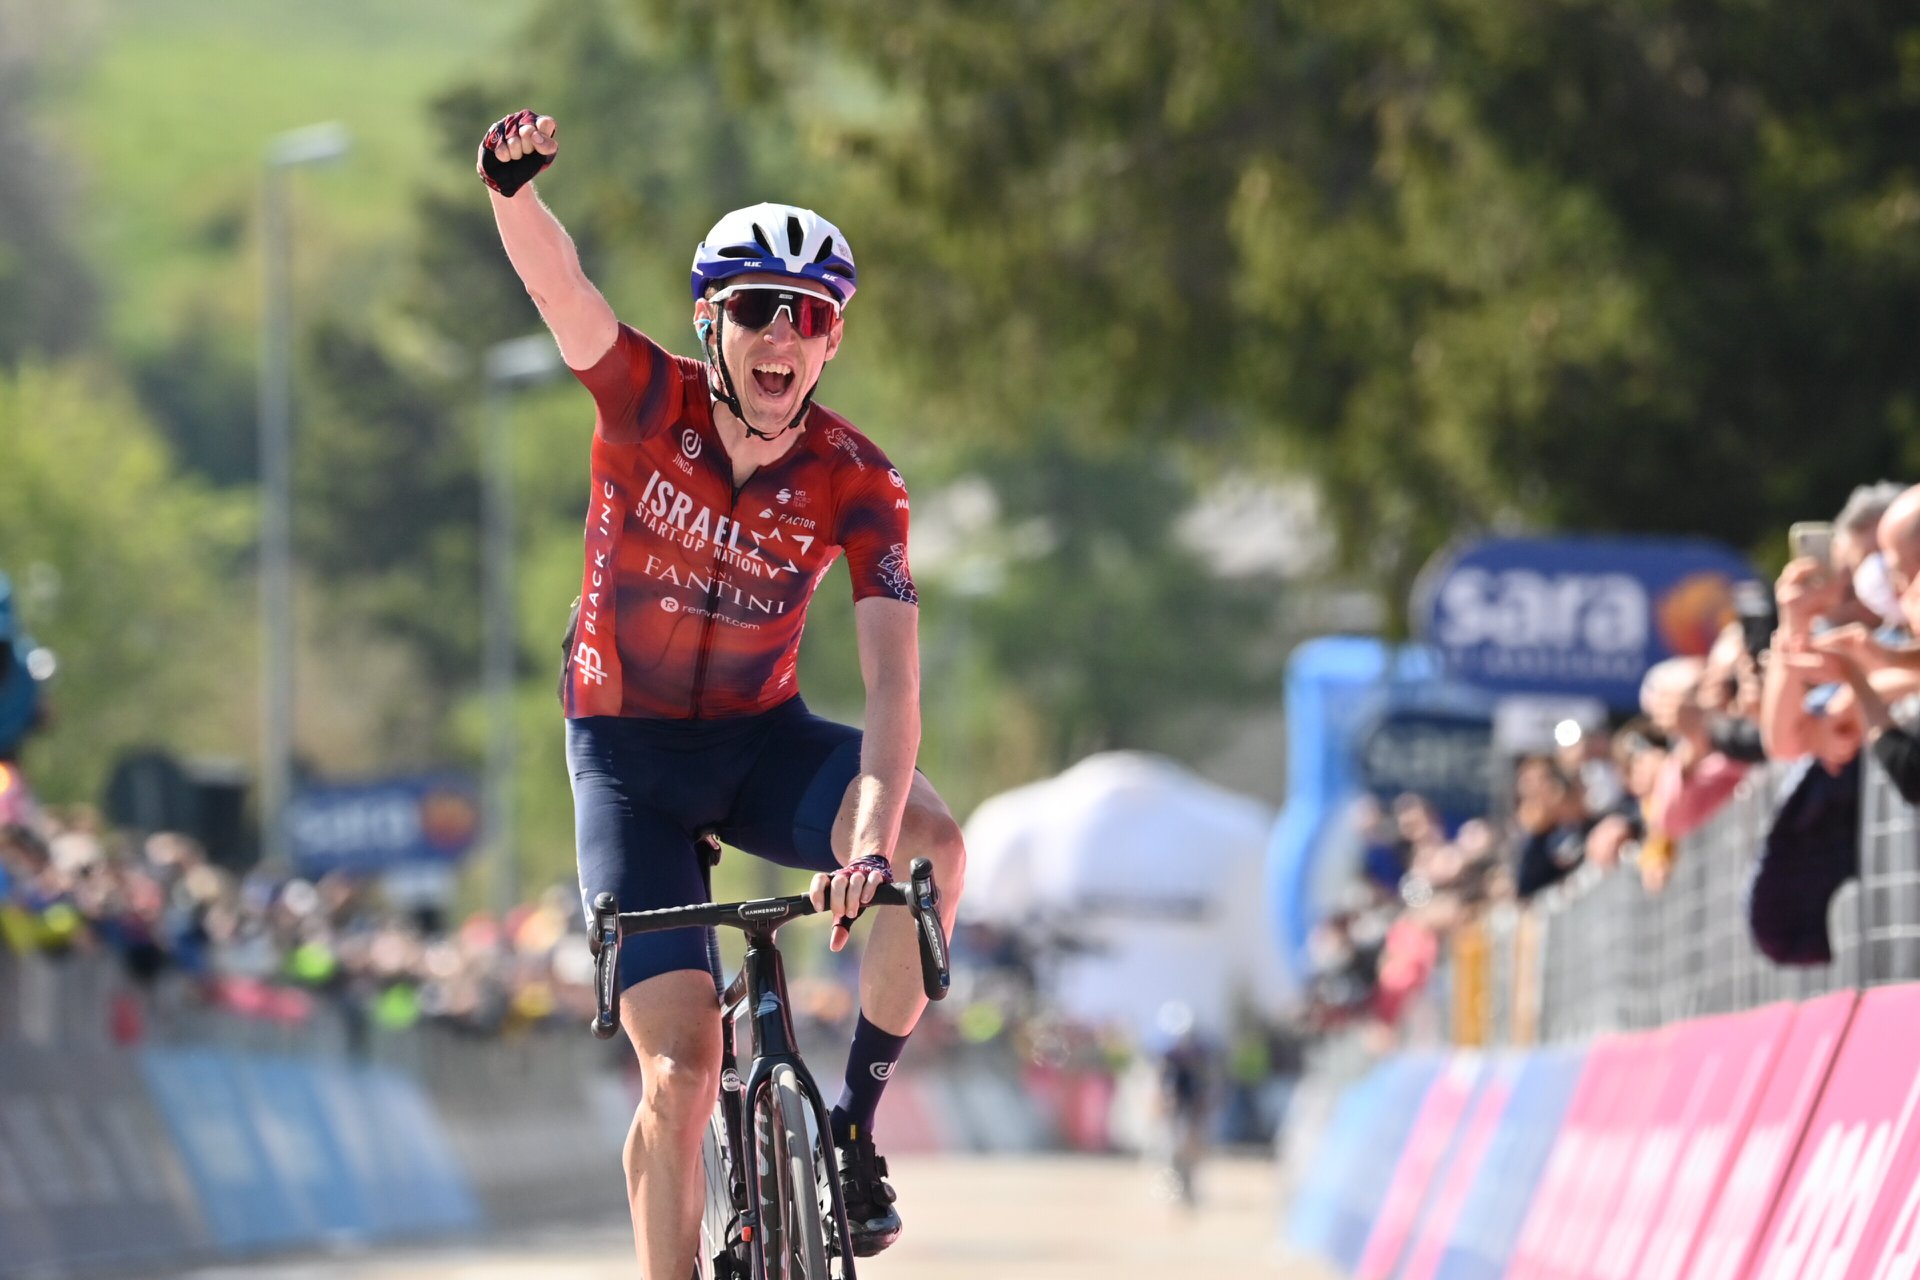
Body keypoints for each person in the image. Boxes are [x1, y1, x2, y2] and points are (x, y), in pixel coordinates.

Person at [479, 111, 966, 1273]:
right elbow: (565, 292)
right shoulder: (645, 400)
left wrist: (865, 838)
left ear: (832, 341)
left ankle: (850, 1128)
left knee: (930, 845)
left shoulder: (860, 480)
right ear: (713, 320)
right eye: (755, 306)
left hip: (758, 742)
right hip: (627, 763)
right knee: (684, 1075)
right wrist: (511, 195)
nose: (780, 333)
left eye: (811, 315)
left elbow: (893, 684)